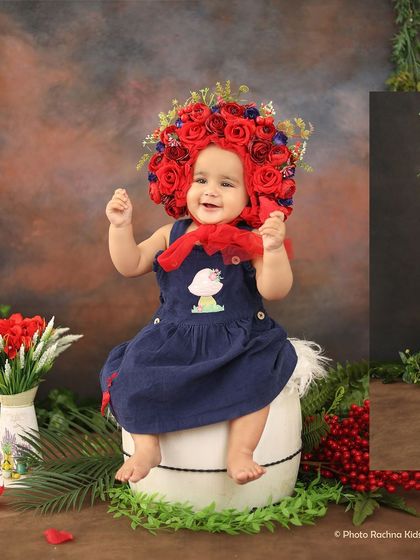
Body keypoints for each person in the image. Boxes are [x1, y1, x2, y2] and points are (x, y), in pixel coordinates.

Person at [99, 83, 320, 486]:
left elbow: (275, 290)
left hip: (241, 338)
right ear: (182, 180)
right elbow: (129, 265)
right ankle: (148, 446)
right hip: (174, 337)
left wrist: (272, 249)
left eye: (227, 183)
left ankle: (241, 450)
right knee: (132, 375)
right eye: (201, 179)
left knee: (258, 377)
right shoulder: (171, 233)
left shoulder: (251, 240)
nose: (210, 191)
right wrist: (120, 228)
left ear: (253, 194)